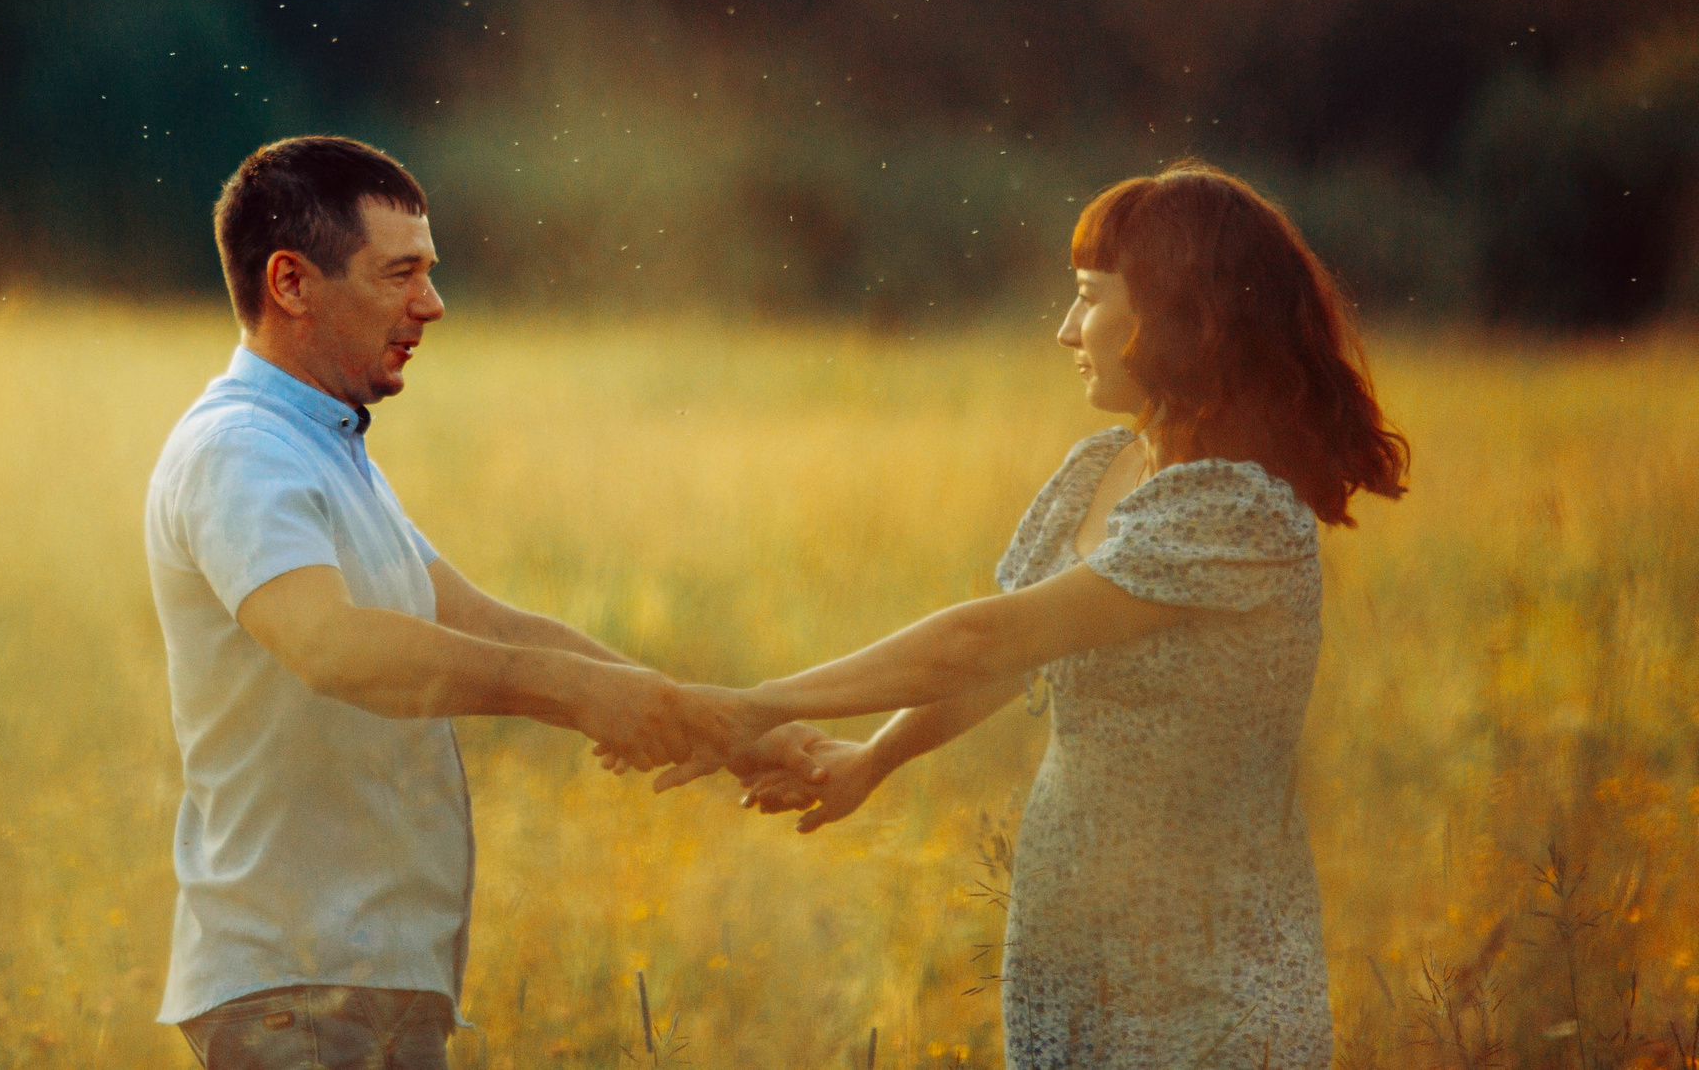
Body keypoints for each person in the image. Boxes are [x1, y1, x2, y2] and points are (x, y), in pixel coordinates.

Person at [647, 162, 1409, 1070]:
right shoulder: (1101, 470)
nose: (1063, 328)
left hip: (1205, 973)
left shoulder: (1236, 510)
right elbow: (1011, 663)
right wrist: (872, 760)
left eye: (1088, 297)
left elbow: (988, 635)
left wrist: (755, 704)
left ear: (1178, 314)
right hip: (1070, 943)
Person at [146, 135, 741, 1070]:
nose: (432, 303)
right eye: (401, 274)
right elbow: (333, 648)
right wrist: (576, 696)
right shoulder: (240, 449)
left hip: (360, 982)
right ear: (292, 283)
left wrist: (723, 725)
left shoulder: (327, 446)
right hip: (298, 991)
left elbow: (482, 621)